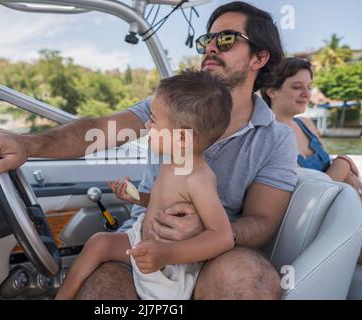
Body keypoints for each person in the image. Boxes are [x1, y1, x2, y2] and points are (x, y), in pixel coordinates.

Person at [0, 1, 297, 299]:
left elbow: (263, 222)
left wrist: (201, 233)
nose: (210, 46)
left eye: (225, 39)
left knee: (248, 281)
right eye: (206, 40)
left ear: (260, 57)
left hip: (218, 252)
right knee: (103, 292)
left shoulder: (276, 138)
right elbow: (98, 130)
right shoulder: (170, 106)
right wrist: (27, 144)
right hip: (142, 239)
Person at [55, 70, 234, 300]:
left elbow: (222, 236)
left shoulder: (198, 179)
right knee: (98, 242)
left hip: (167, 264)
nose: (147, 125)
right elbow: (165, 203)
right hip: (141, 238)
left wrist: (168, 253)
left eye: (155, 120)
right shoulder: (171, 162)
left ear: (181, 138)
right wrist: (137, 197)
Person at [260, 57, 362, 264]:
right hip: (322, 219)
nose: (306, 93)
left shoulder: (305, 123)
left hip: (346, 204)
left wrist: (345, 170)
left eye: (309, 86)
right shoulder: (270, 137)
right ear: (271, 91)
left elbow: (329, 171)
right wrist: (343, 163)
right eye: (297, 87)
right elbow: (315, 192)